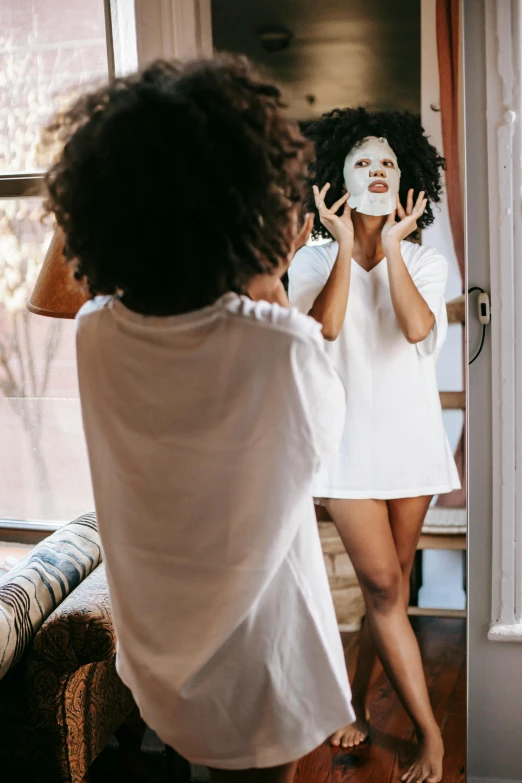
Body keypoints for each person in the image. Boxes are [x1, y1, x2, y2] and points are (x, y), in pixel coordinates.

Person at [43, 56, 355, 783]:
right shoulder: (281, 347)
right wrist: (271, 273)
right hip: (259, 661)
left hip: (160, 656)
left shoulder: (94, 331)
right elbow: (319, 450)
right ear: (247, 207)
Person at [288, 108, 460, 783]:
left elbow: (418, 329)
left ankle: (355, 702)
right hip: (344, 451)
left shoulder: (423, 258)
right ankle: (432, 735)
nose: (377, 171)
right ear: (338, 178)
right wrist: (337, 243)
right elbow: (326, 328)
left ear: (407, 180)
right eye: (362, 162)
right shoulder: (312, 259)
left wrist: (389, 246)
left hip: (412, 447)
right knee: (387, 588)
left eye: (387, 163)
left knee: (382, 591)